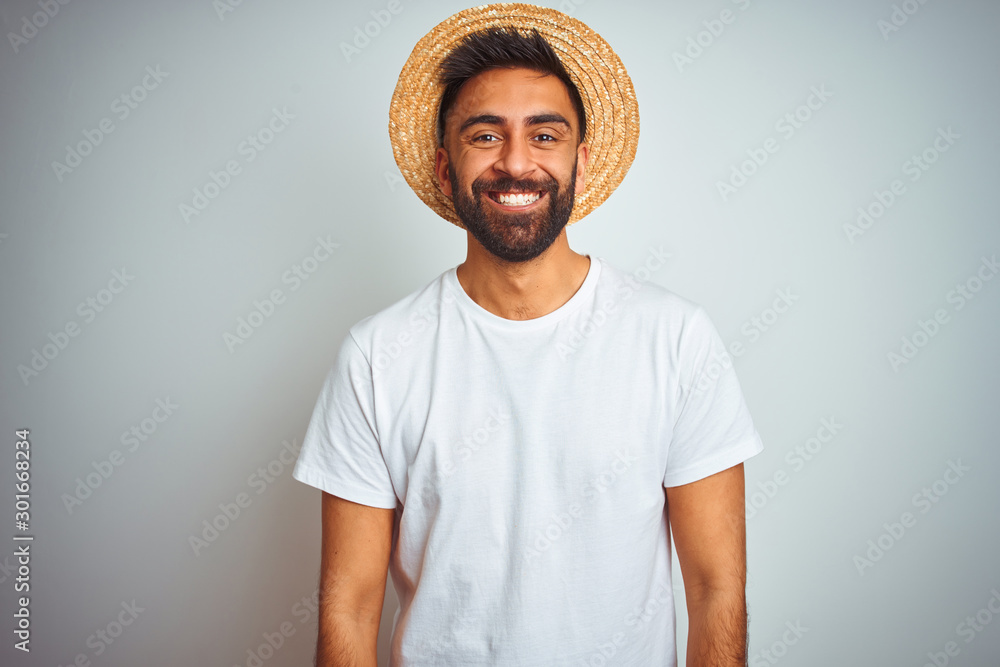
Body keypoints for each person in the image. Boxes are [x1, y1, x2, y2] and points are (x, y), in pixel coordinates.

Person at [292, 4, 764, 666]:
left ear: (581, 160)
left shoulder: (675, 338)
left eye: (544, 135)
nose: (517, 163)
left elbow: (717, 591)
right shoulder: (375, 356)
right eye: (485, 136)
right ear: (443, 167)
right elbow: (350, 604)